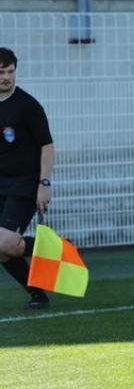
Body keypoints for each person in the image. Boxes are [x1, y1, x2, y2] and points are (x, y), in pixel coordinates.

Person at [0, 47, 53, 309]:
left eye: (10, 71)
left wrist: (44, 184)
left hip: (24, 185)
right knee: (3, 250)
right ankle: (38, 294)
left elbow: (47, 146)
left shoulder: (28, 106)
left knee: (5, 243)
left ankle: (55, 250)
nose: (6, 77)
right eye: (1, 72)